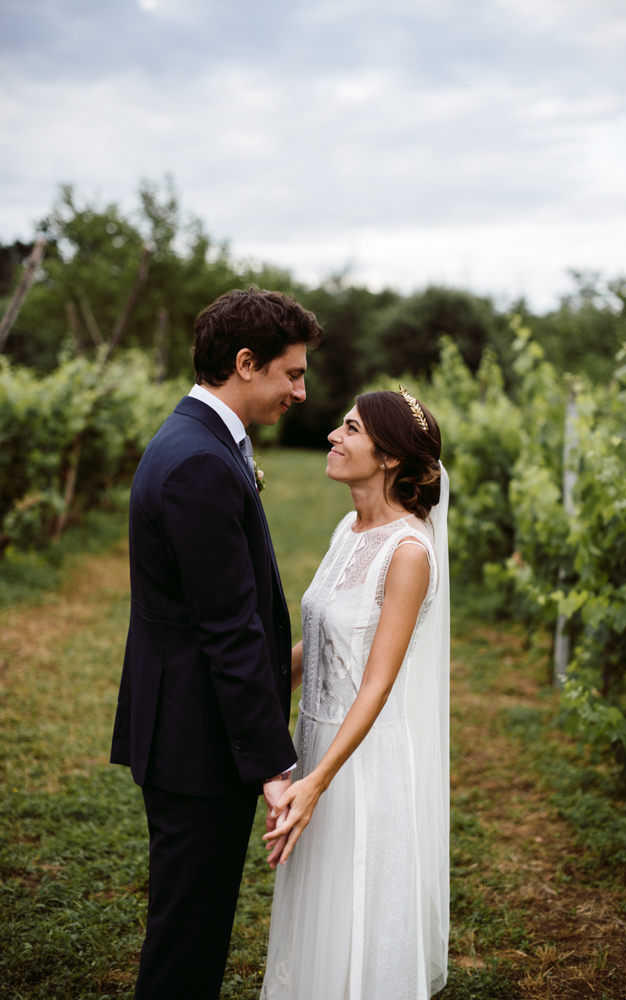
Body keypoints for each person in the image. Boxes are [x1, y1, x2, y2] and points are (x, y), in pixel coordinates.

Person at [109, 287, 322, 1000]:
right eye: (291, 372)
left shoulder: (201, 441)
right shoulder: (198, 460)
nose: (301, 389)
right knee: (187, 943)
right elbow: (227, 627)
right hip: (198, 741)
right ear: (244, 362)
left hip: (189, 728)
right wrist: (271, 764)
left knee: (192, 930)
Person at [261, 388, 450, 1000]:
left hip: (360, 760)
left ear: (389, 456)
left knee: (355, 912)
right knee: (315, 915)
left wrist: (318, 782)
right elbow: (317, 646)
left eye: (350, 429)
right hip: (311, 739)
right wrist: (247, 702)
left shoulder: (409, 551)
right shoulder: (349, 528)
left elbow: (377, 681)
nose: (333, 437)